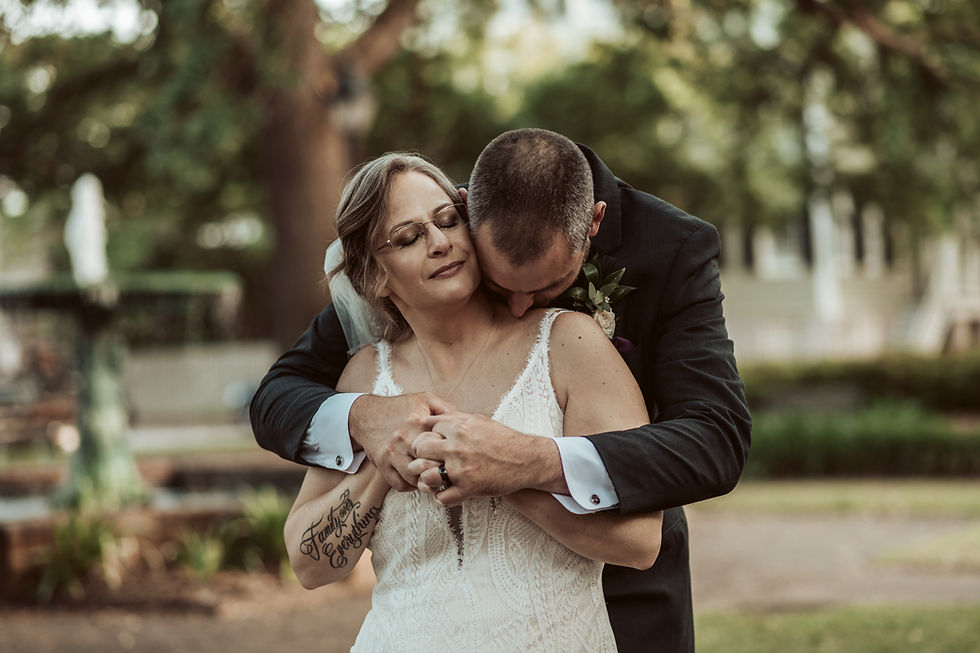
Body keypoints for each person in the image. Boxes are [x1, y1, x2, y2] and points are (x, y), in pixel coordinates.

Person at [252, 128, 752, 652]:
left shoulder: (645, 272)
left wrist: (521, 465)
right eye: (408, 237)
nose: (521, 306)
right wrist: (366, 423)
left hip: (606, 609)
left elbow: (713, 439)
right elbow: (278, 399)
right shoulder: (372, 356)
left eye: (544, 287)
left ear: (594, 227)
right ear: (472, 213)